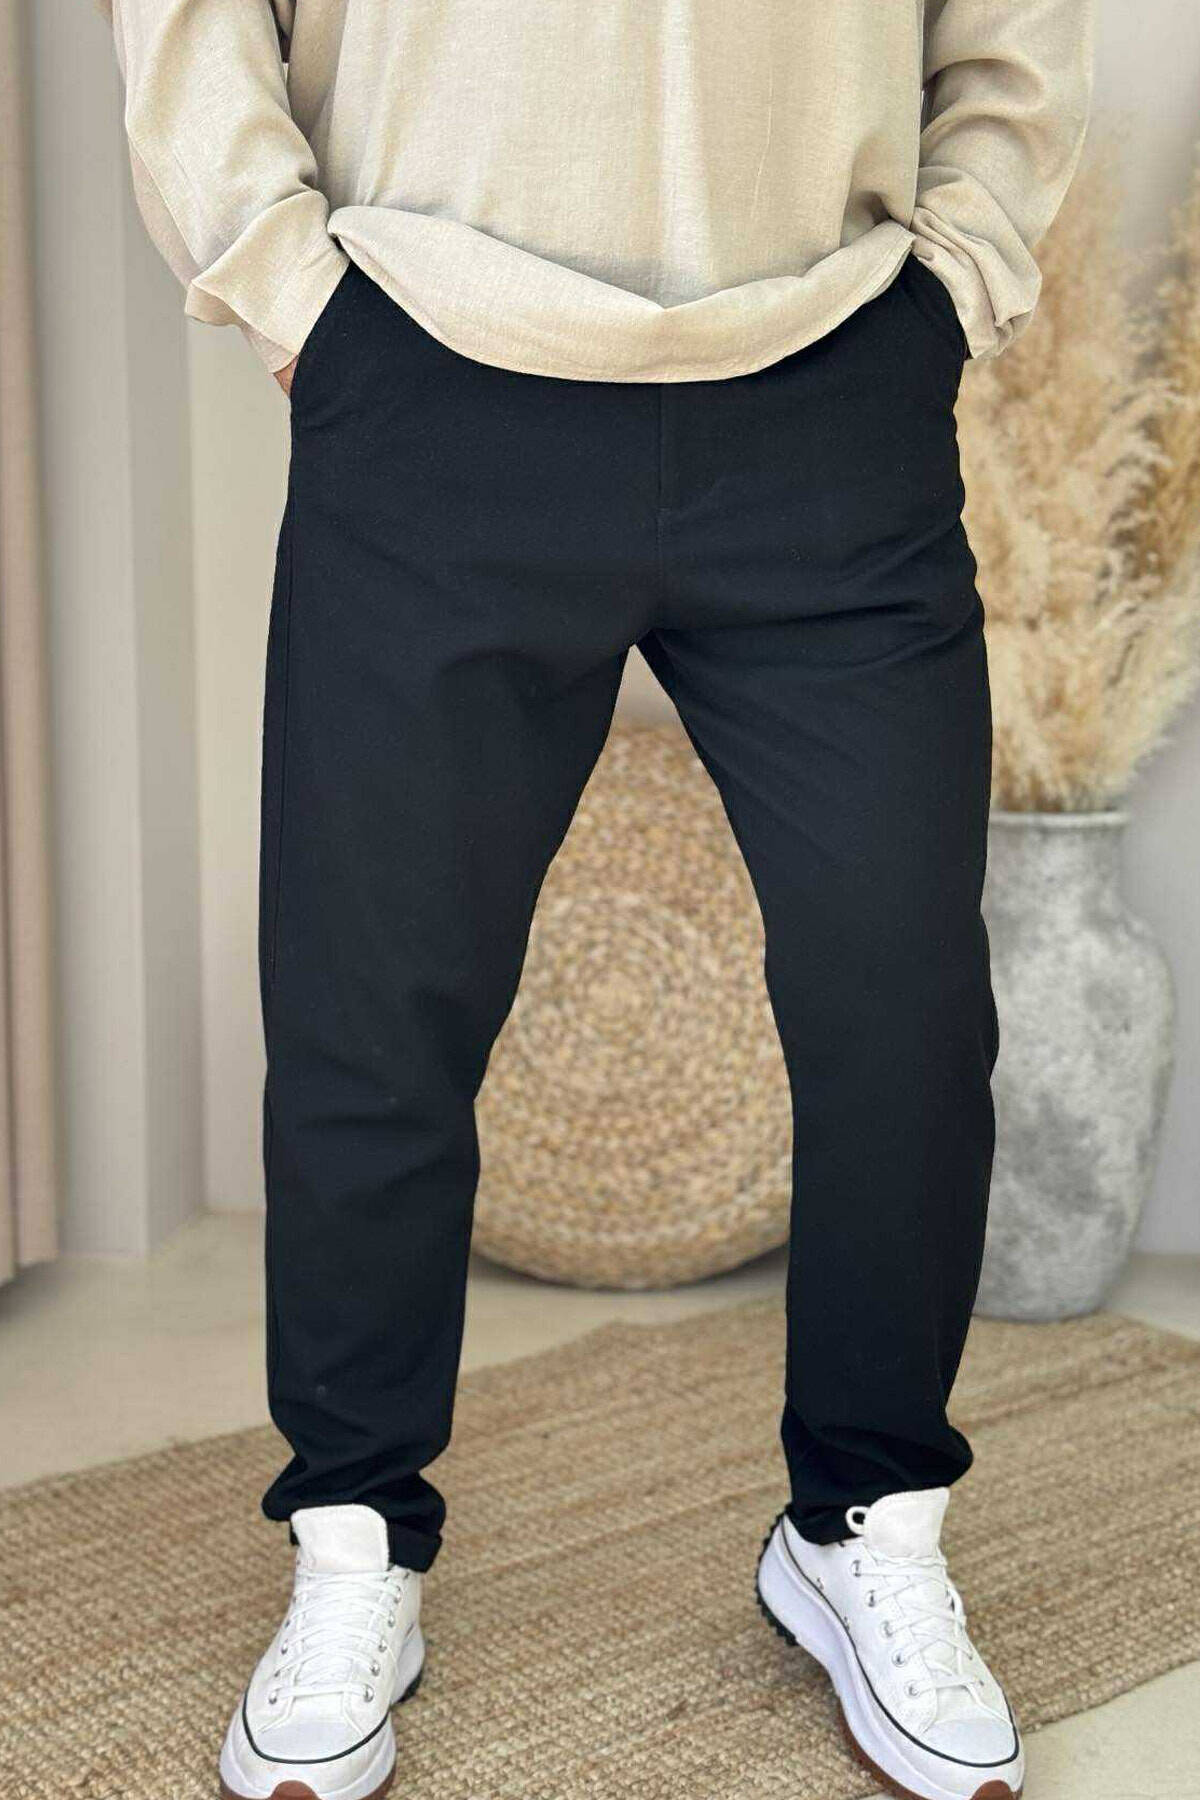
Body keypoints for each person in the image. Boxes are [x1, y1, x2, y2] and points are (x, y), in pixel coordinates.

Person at [104, 3, 1093, 1796]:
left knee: (903, 1010)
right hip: (430, 370)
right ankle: (354, 1540)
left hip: (828, 384)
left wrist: (953, 280)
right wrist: (291, 286)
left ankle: (864, 1524)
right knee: (373, 1017)